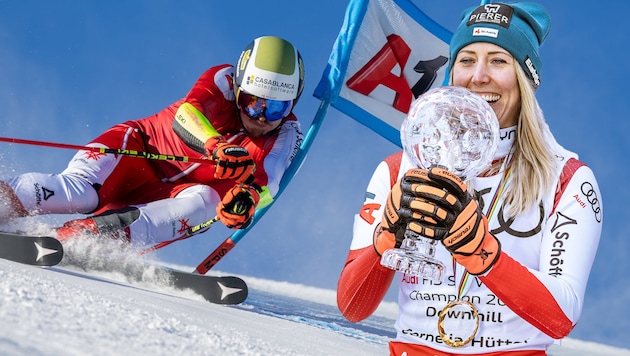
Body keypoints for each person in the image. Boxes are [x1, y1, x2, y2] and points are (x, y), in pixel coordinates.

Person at [337, 2, 602, 355]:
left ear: (526, 79)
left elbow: (561, 318)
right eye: (466, 59)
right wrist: (385, 237)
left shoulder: (568, 180)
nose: (478, 76)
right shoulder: (399, 169)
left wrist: (482, 252)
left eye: (498, 60)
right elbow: (353, 306)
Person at [0, 35, 304, 249]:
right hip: (136, 151)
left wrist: (245, 200)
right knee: (80, 193)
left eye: (277, 107)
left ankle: (78, 240)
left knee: (206, 203)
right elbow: (186, 116)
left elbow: (269, 182)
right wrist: (216, 146)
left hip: (177, 193)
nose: (263, 117)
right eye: (253, 103)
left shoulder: (287, 133)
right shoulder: (221, 81)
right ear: (239, 89)